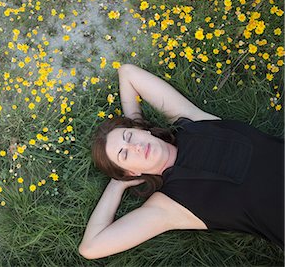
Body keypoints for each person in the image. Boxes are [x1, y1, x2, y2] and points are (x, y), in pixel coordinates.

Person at [78, 64, 284, 259]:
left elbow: (128, 73)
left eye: (130, 137)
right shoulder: (169, 206)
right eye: (125, 154)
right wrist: (116, 185)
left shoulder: (192, 122)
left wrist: (136, 124)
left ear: (143, 130)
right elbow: (91, 247)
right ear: (131, 172)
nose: (136, 147)